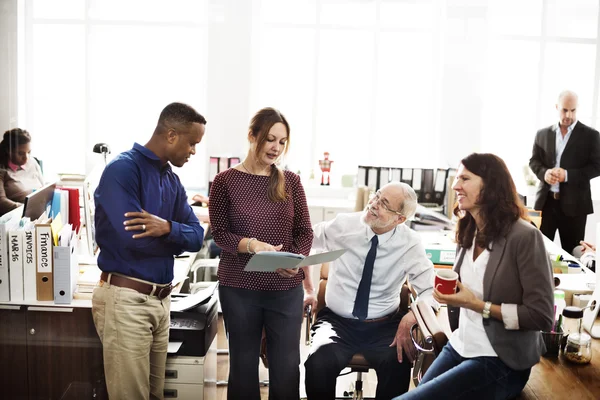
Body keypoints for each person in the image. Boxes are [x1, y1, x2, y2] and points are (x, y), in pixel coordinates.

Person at [396, 153, 554, 400]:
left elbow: (542, 316)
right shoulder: (468, 230)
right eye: (456, 178)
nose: (455, 185)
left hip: (501, 360)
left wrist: (478, 306)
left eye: (465, 178)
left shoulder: (524, 237)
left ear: (490, 185)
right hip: (460, 345)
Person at [91, 102, 206, 400]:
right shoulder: (122, 171)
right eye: (192, 143)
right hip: (127, 302)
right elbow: (134, 240)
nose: (193, 151)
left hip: (161, 301)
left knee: (154, 395)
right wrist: (173, 238)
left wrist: (167, 227)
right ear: (171, 135)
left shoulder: (172, 180)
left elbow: (196, 236)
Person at [208, 107, 314, 400]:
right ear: (252, 136)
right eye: (269, 139)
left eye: (282, 142)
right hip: (240, 288)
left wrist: (295, 261)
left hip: (285, 287)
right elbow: (220, 233)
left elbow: (305, 232)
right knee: (243, 369)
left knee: (287, 368)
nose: (276, 148)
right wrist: (251, 245)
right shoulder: (225, 181)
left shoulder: (291, 181)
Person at [304, 181, 435, 400]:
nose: (373, 204)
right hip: (336, 322)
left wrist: (411, 316)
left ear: (400, 219)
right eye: (376, 196)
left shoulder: (410, 243)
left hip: (384, 325)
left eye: (384, 204)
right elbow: (305, 240)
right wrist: (307, 287)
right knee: (319, 360)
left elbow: (431, 290)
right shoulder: (344, 224)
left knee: (398, 363)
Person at [529, 90, 600, 255]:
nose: (569, 114)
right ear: (556, 107)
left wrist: (567, 175)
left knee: (573, 255)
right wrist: (544, 173)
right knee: (538, 253)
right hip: (545, 205)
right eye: (564, 110)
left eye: (573, 110)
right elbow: (534, 161)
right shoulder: (542, 134)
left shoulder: (591, 136)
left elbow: (597, 166)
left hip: (575, 208)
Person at [0, 128, 44, 215]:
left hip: (40, 212)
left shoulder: (33, 162)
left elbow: (43, 189)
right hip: (17, 217)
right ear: (8, 151)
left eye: (29, 152)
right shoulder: (2, 170)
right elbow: (1, 202)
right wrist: (26, 209)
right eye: (20, 153)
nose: (26, 157)